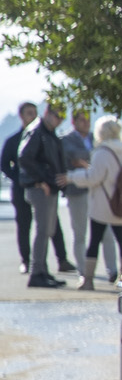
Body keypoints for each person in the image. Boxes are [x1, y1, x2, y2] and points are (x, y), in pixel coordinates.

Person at [71, 116, 122, 287]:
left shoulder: (102, 152)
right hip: (120, 202)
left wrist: (73, 176)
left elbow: (94, 177)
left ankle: (88, 279)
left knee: (94, 240)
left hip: (102, 203)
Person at [16, 104, 71, 289]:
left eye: (61, 117)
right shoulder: (36, 131)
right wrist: (41, 180)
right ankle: (36, 273)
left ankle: (43, 270)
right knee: (41, 231)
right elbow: (24, 157)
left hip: (50, 188)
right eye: (56, 116)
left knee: (48, 231)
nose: (58, 120)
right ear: (47, 113)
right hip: (40, 189)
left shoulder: (50, 133)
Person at [59, 110, 94, 276]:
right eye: (82, 120)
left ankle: (112, 270)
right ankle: (83, 269)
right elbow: (70, 157)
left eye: (88, 120)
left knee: (106, 233)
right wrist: (80, 161)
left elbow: (93, 159)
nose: (86, 123)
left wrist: (82, 162)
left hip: (96, 190)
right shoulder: (66, 139)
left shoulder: (96, 138)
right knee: (80, 232)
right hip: (76, 191)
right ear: (74, 122)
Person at [4, 101, 37, 272]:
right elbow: (3, 164)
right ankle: (26, 260)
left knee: (48, 227)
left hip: (40, 188)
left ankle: (57, 260)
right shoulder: (13, 140)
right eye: (29, 113)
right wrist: (18, 178)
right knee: (24, 226)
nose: (33, 116)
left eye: (34, 113)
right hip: (20, 189)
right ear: (22, 116)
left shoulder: (41, 138)